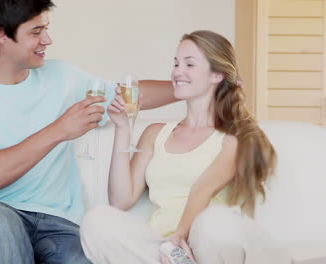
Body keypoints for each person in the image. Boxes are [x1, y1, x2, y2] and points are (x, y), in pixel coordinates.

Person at [0, 0, 176, 263]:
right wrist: (59, 129)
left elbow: (128, 95)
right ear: (1, 34)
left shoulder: (62, 77)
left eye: (45, 30)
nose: (47, 40)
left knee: (80, 256)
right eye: (36, 32)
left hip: (59, 224)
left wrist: (193, 85)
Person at [80, 30, 292, 264]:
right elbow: (121, 201)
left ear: (217, 75)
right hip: (168, 253)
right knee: (98, 220)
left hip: (212, 248)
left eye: (189, 64)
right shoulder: (156, 134)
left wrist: (180, 236)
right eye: (176, 63)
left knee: (212, 223)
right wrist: (122, 127)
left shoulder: (234, 138)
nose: (177, 72)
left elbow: (204, 187)